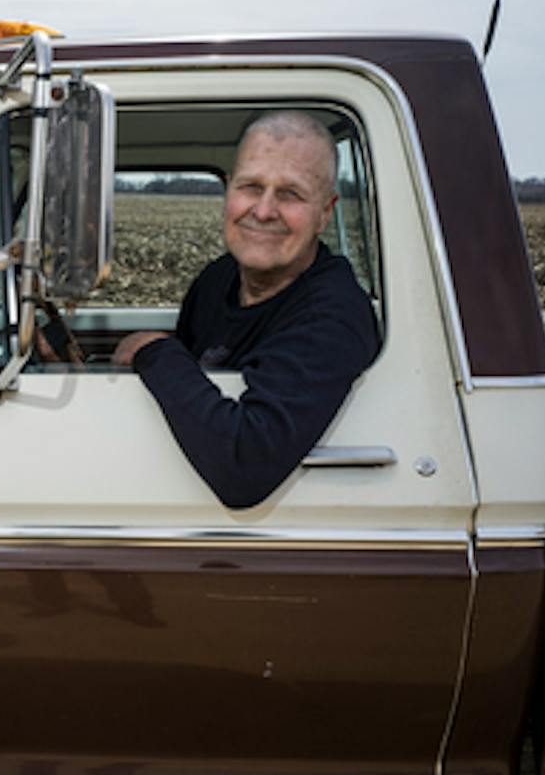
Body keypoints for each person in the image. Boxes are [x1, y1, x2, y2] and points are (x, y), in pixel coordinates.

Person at [113, 110, 380, 509]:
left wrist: (154, 351)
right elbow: (192, 376)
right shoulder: (219, 279)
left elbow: (244, 466)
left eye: (290, 194)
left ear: (325, 212)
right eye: (251, 186)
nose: (264, 210)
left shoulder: (332, 318)